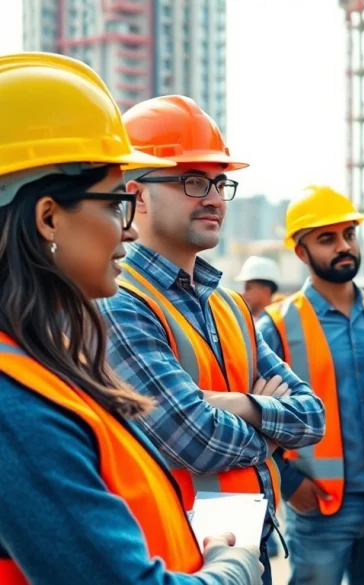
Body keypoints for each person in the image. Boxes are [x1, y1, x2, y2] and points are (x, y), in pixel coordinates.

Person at [0, 51, 262, 585]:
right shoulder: (15, 403)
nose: (129, 229)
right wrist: (230, 565)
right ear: (49, 217)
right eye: (117, 205)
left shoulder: (43, 365)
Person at [97, 95, 327, 584]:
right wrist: (270, 430)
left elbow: (314, 416)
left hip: (248, 543)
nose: (216, 199)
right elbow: (196, 440)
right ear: (136, 195)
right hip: (176, 555)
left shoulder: (227, 305)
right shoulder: (120, 302)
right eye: (193, 181)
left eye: (220, 182)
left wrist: (237, 405)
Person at [260, 185, 364, 585]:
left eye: (348, 235)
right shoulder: (276, 326)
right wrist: (288, 483)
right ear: (301, 253)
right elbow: (257, 417)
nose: (343, 246)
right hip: (319, 505)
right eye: (327, 239)